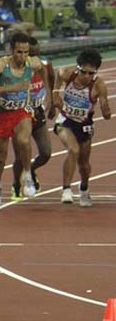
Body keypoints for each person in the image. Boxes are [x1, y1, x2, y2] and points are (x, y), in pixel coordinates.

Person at [0, 32, 45, 207]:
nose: (23, 56)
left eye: (26, 52)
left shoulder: (33, 63)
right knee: (1, 156)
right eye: (19, 52)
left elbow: (43, 68)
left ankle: (27, 174)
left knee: (24, 140)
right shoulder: (2, 65)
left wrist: (48, 91)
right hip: (2, 115)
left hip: (21, 112)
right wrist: (12, 87)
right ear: (11, 50)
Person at [53, 49, 111, 207]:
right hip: (65, 120)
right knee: (73, 150)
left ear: (96, 72)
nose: (86, 76)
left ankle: (84, 188)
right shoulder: (67, 74)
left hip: (85, 125)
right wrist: (55, 93)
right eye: (83, 72)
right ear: (77, 68)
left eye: (91, 73)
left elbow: (106, 114)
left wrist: (105, 109)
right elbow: (57, 75)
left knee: (84, 165)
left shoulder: (99, 85)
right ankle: (66, 190)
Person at [12, 37, 54, 200]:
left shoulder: (44, 65)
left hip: (37, 112)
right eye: (31, 54)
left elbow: (51, 79)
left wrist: (51, 100)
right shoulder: (15, 69)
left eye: (37, 54)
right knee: (19, 157)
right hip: (19, 114)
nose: (34, 57)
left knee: (46, 152)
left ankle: (30, 169)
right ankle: (16, 185)